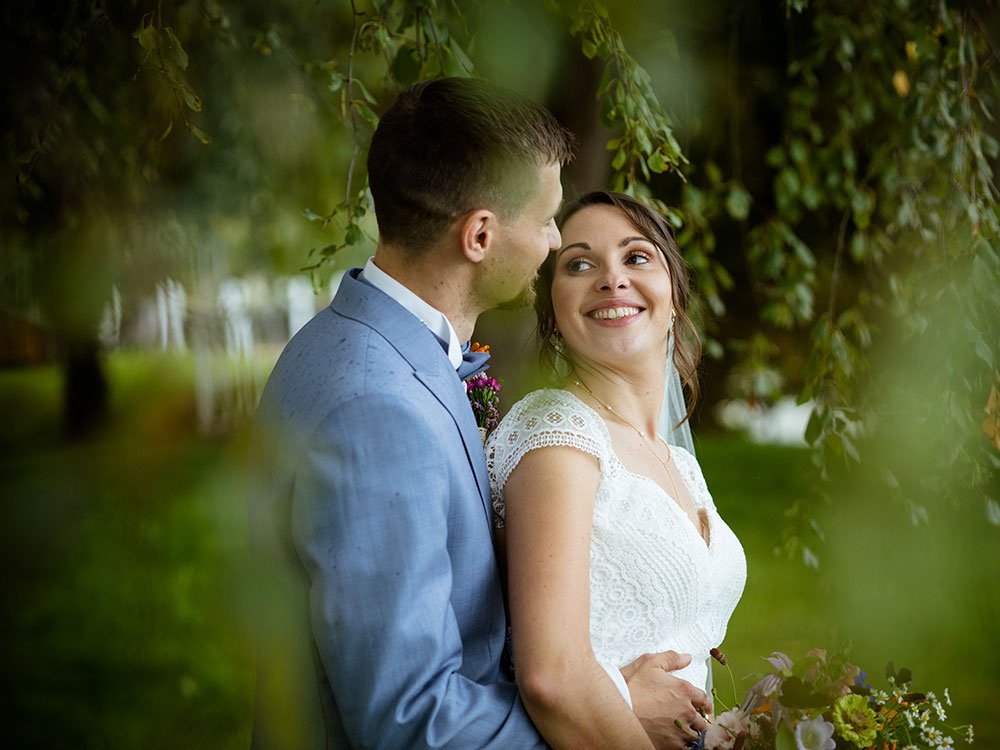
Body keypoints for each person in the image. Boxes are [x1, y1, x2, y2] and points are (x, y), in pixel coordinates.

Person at [248, 79, 708, 750]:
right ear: (481, 235)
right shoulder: (377, 406)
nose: (555, 241)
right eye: (548, 218)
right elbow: (411, 721)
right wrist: (606, 712)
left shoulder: (349, 343)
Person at [486, 191, 748, 749]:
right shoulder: (557, 433)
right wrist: (624, 702)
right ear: (553, 312)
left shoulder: (675, 459)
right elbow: (552, 676)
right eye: (579, 264)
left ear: (674, 294)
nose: (611, 279)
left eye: (636, 257)